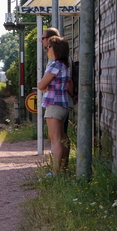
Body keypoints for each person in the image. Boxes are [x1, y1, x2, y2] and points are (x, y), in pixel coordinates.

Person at [37, 36, 72, 173]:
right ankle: (63, 168)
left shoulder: (55, 65)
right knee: (62, 138)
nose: (47, 49)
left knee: (55, 139)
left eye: (49, 46)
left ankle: (56, 172)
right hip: (62, 103)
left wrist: (46, 87)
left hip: (53, 104)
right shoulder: (65, 65)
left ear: (55, 49)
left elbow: (41, 85)